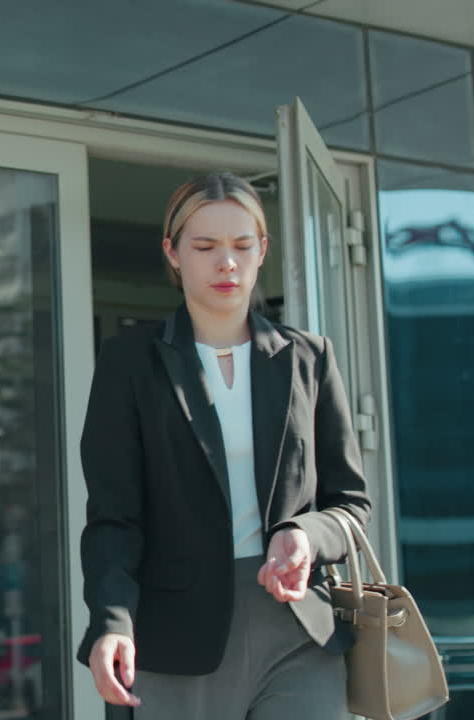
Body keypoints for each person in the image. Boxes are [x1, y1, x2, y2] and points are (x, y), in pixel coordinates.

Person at [77, 172, 370, 719]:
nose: (226, 263)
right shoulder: (130, 363)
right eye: (205, 246)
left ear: (263, 250)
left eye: (241, 245)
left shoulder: (309, 359)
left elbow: (352, 505)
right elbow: (114, 519)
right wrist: (110, 622)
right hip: (174, 636)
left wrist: (303, 534)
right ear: (173, 252)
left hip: (298, 630)